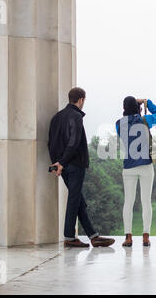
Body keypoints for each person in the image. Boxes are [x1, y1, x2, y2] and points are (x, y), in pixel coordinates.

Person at [48, 87, 115, 248]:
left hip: (62, 166)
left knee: (78, 200)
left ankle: (93, 236)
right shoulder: (76, 116)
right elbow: (74, 142)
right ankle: (70, 237)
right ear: (81, 100)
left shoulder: (56, 117)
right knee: (74, 200)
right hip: (73, 165)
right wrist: (63, 163)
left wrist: (57, 163)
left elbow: (51, 143)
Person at [116, 97, 156, 247]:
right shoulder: (144, 120)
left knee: (128, 202)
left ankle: (128, 237)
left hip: (129, 165)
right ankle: (145, 237)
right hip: (145, 165)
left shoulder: (118, 124)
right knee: (146, 202)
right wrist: (147, 102)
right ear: (138, 108)